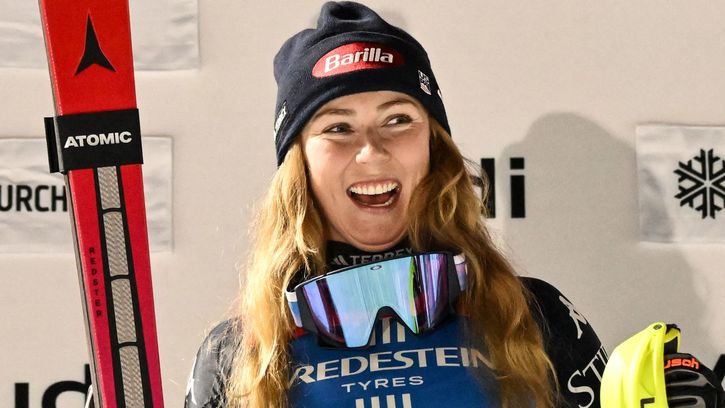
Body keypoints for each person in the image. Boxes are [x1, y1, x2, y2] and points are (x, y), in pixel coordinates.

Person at [184, 2, 723, 408]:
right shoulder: (238, 354)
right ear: (298, 165)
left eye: (398, 119)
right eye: (338, 128)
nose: (371, 151)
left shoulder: (532, 316)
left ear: (434, 148)